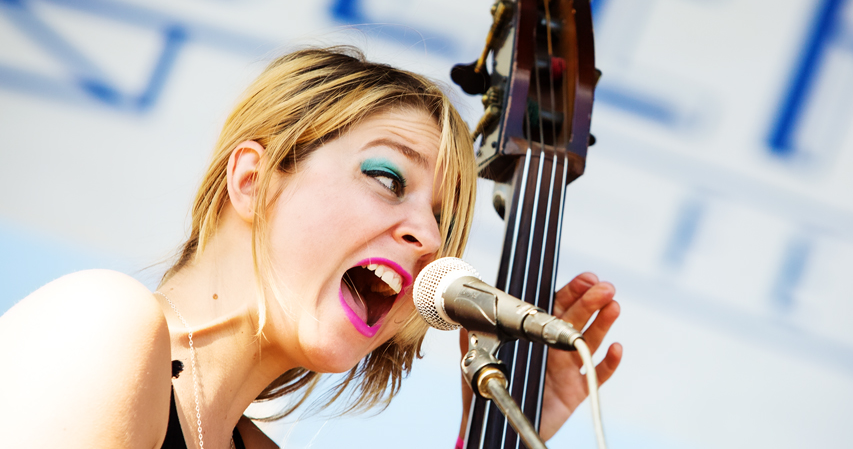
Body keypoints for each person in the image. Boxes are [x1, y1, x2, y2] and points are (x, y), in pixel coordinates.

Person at [0, 46, 622, 448]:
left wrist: (495, 430)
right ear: (253, 179)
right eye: (388, 179)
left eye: (441, 220)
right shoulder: (101, 322)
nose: (431, 239)